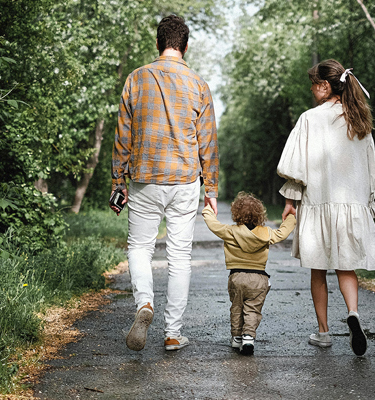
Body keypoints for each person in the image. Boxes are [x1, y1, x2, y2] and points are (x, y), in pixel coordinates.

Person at [111, 14, 219, 352]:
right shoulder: (198, 84)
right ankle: (173, 333)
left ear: (158, 43)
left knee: (140, 247)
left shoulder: (136, 78)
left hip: (144, 179)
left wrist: (118, 181)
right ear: (185, 47)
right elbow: (208, 141)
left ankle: (145, 304)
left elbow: (122, 135)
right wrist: (211, 189)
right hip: (185, 180)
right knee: (179, 256)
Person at [276, 59, 375, 356]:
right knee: (345, 266)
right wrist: (366, 202)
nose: (312, 90)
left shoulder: (310, 118)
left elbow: (295, 166)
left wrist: (290, 201)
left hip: (317, 202)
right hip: (349, 204)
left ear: (324, 86)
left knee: (318, 269)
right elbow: (370, 166)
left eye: (313, 84)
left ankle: (323, 332)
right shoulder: (359, 119)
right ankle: (353, 313)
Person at [201, 192, 296, 355]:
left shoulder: (230, 231)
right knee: (252, 309)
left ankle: (236, 337)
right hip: (258, 278)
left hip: (236, 277)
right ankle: (248, 338)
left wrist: (208, 209)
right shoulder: (266, 233)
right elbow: (282, 233)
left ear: (236, 214)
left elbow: (213, 225)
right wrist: (291, 218)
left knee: (236, 307)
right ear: (260, 215)